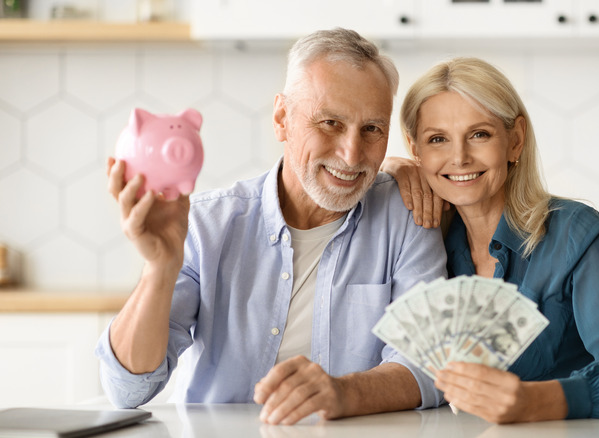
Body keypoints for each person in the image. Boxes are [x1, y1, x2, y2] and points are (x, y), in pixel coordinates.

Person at [96, 28, 447, 425]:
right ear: (282, 119)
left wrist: (344, 392)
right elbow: (128, 389)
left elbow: (430, 365)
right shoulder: (209, 225)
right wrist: (160, 269)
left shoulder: (407, 218)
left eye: (372, 129)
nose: (351, 155)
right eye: (330, 122)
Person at [382, 57, 599, 424]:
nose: (459, 157)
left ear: (515, 141)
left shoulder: (573, 233)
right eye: (437, 139)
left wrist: (537, 401)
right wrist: (387, 171)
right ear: (416, 151)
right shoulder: (417, 240)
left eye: (480, 134)